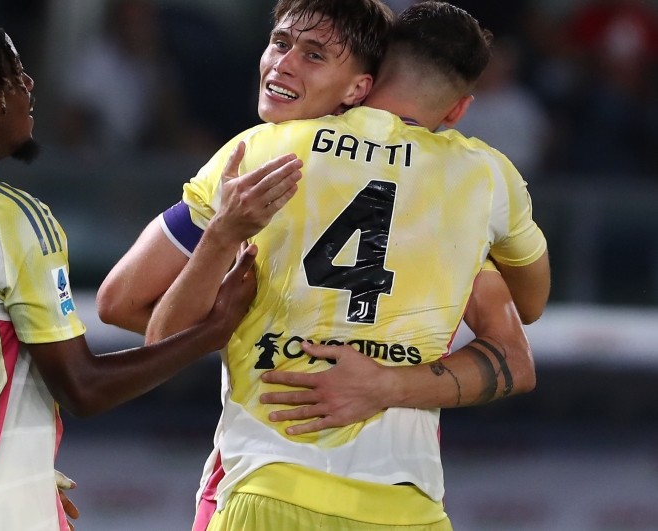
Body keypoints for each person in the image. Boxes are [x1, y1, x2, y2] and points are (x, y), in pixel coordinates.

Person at [104, 1, 549, 529]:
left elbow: (138, 319)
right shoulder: (481, 182)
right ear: (457, 110)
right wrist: (387, 382)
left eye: (313, 54)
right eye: (279, 43)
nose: (284, 64)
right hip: (409, 508)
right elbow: (526, 323)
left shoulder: (259, 154)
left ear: (363, 84)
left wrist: (232, 326)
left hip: (267, 484)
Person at [0, 12, 257, 531]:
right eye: (16, 74)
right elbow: (84, 388)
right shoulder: (10, 218)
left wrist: (25, 465)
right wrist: (212, 329)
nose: (29, 85)